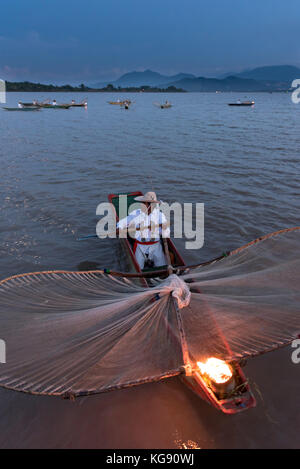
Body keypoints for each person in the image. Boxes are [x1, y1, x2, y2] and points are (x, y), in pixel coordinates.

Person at [117, 192, 170, 269]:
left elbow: (166, 234)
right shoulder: (136, 214)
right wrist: (119, 227)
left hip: (156, 246)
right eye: (142, 203)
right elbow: (123, 222)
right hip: (140, 247)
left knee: (162, 267)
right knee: (138, 268)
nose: (141, 205)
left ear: (151, 205)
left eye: (144, 203)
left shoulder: (160, 215)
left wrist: (164, 228)